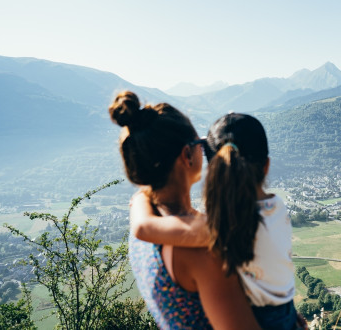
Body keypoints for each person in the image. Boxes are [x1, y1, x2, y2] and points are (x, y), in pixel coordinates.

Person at [130, 113, 300, 329]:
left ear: (215, 169)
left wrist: (140, 198)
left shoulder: (218, 226)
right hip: (281, 311)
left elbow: (143, 227)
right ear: (266, 165)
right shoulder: (275, 208)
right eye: (196, 145)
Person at [109, 91, 261, 329]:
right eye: (201, 145)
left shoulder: (146, 218)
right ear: (187, 155)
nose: (204, 151)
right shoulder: (200, 252)